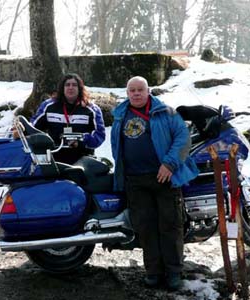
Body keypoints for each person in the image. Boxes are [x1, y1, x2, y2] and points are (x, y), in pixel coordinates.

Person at [111, 76, 198, 291]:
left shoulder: (166, 112)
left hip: (164, 177)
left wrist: (169, 164)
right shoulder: (120, 114)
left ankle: (174, 273)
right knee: (145, 228)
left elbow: (183, 137)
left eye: (140, 89)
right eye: (132, 90)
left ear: (148, 91)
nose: (136, 93)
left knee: (170, 225)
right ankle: (153, 272)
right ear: (127, 93)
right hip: (135, 180)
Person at [31, 73, 105, 164]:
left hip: (82, 160)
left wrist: (81, 141)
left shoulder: (92, 109)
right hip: (54, 158)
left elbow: (99, 135)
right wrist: (21, 129)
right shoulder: (48, 106)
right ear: (62, 88)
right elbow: (33, 127)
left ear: (80, 88)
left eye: (74, 85)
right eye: (67, 85)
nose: (70, 88)